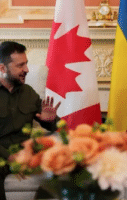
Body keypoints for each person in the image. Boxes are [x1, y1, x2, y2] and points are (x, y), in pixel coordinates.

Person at [0, 41, 61, 200]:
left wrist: (50, 120)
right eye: (20, 65)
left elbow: (52, 122)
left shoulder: (28, 92)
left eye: (26, 64)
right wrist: (10, 157)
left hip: (27, 153)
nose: (26, 70)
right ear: (2, 68)